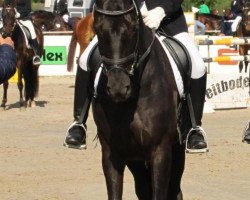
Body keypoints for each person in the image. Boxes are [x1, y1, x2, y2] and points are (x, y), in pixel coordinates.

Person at [64, 0, 208, 153]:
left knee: (197, 65)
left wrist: (161, 10)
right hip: (126, 22)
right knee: (85, 58)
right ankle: (79, 123)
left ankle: (194, 128)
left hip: (168, 24)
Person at [14, 0, 41, 65]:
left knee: (32, 31)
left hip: (24, 19)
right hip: (12, 20)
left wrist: (19, 14)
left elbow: (28, 9)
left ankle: (36, 55)